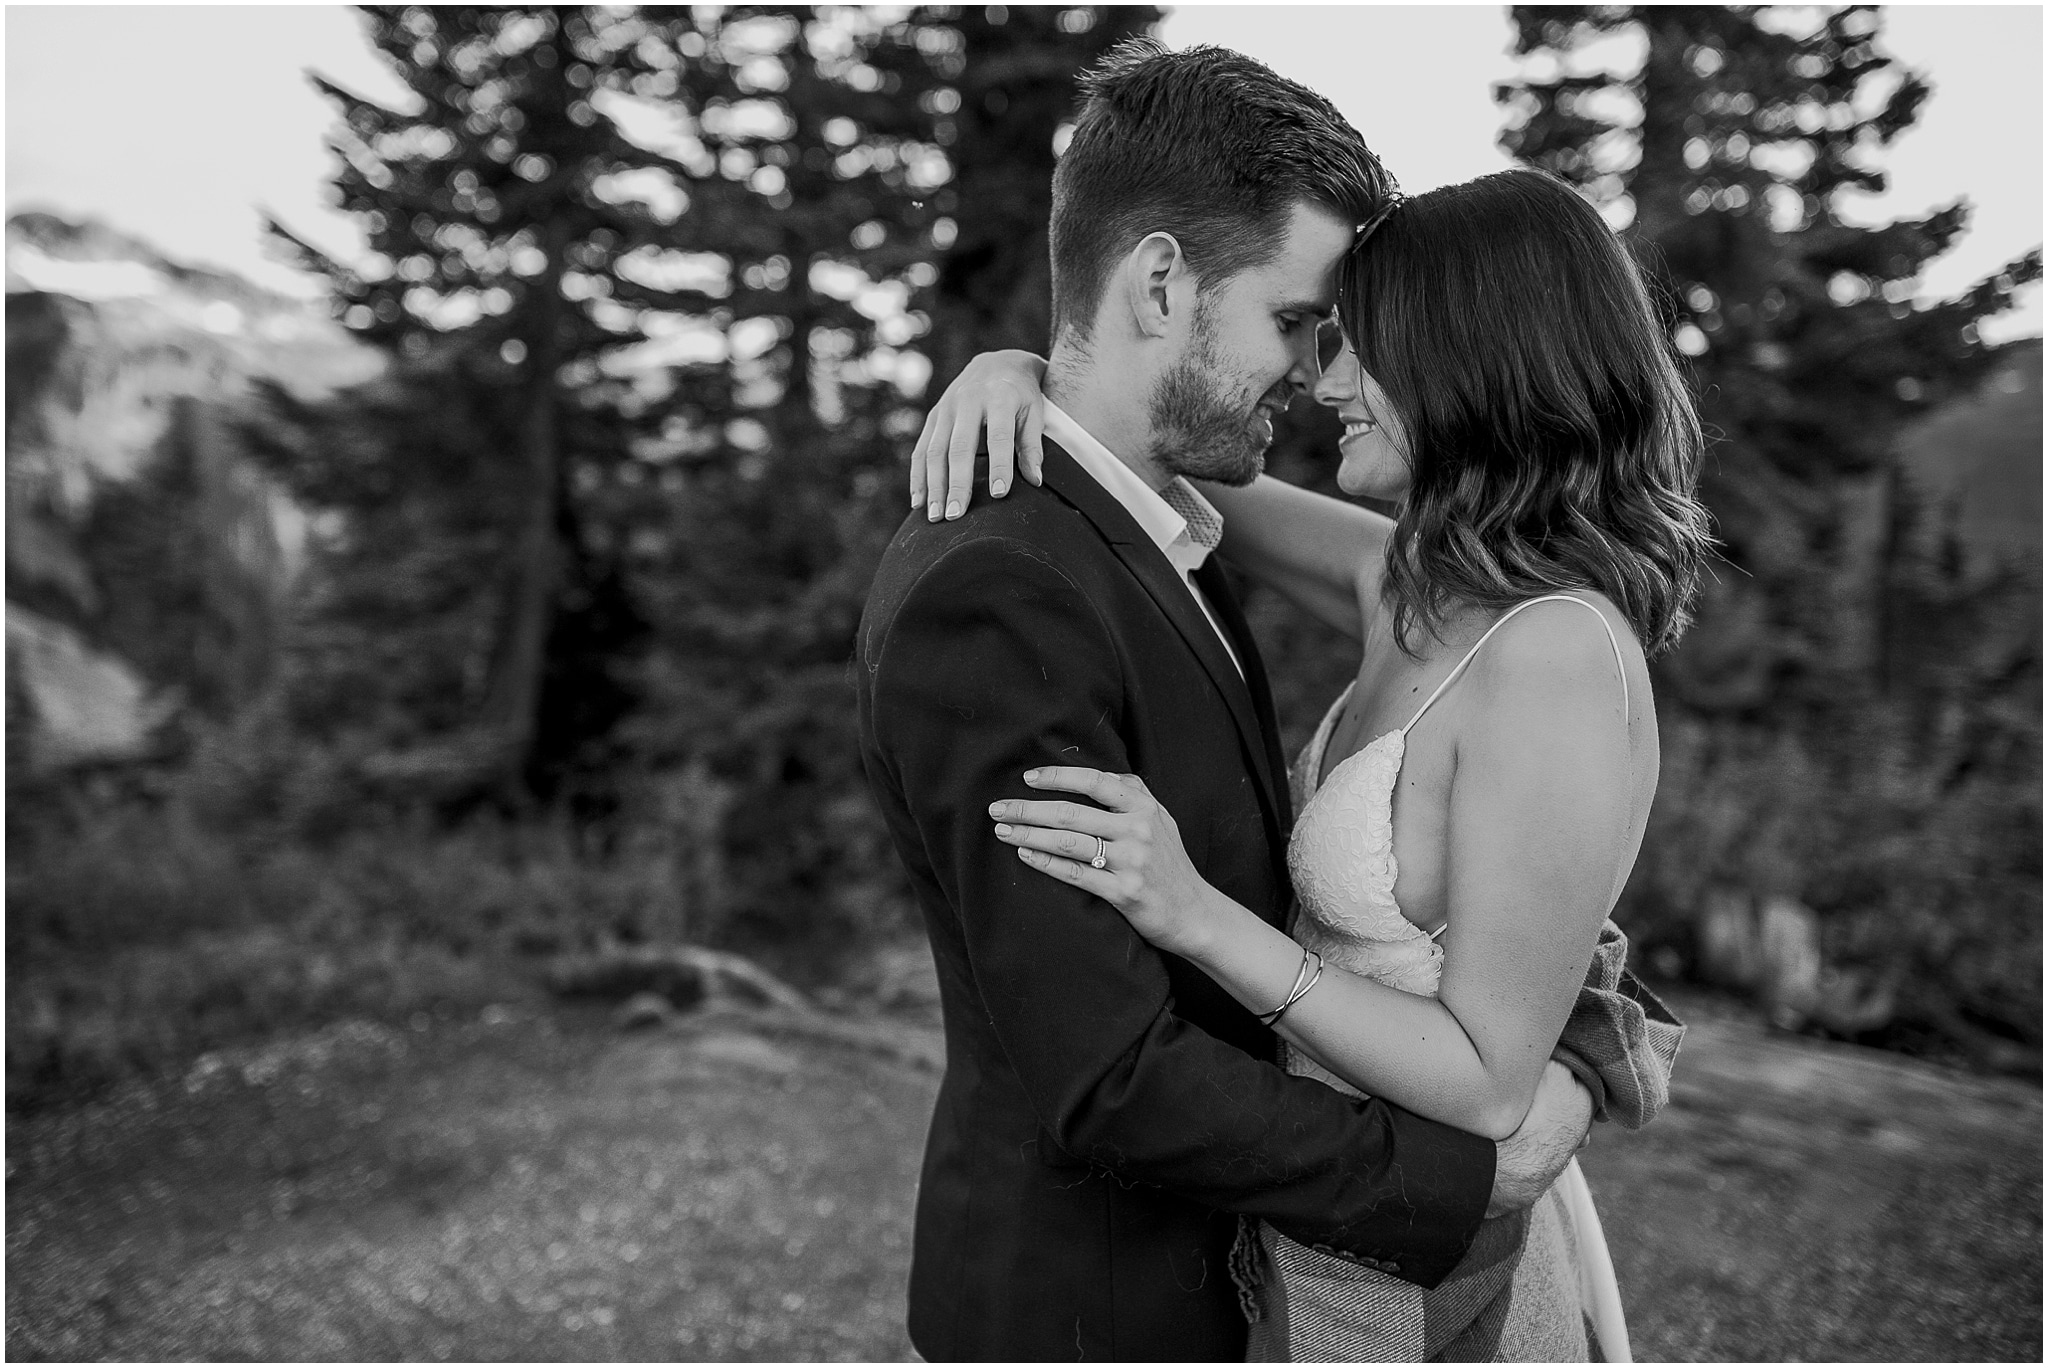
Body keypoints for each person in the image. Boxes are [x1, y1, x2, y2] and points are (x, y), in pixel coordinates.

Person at [859, 39, 1668, 1362]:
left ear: (1473, 370)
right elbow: (1106, 1070)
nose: (1323, 375)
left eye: (1353, 343)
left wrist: (1199, 916)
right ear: (1164, 280)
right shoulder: (1380, 580)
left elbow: (1502, 1011)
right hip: (1142, 1287)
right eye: (1303, 325)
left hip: (1377, 1260)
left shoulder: (1521, 633)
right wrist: (1025, 369)